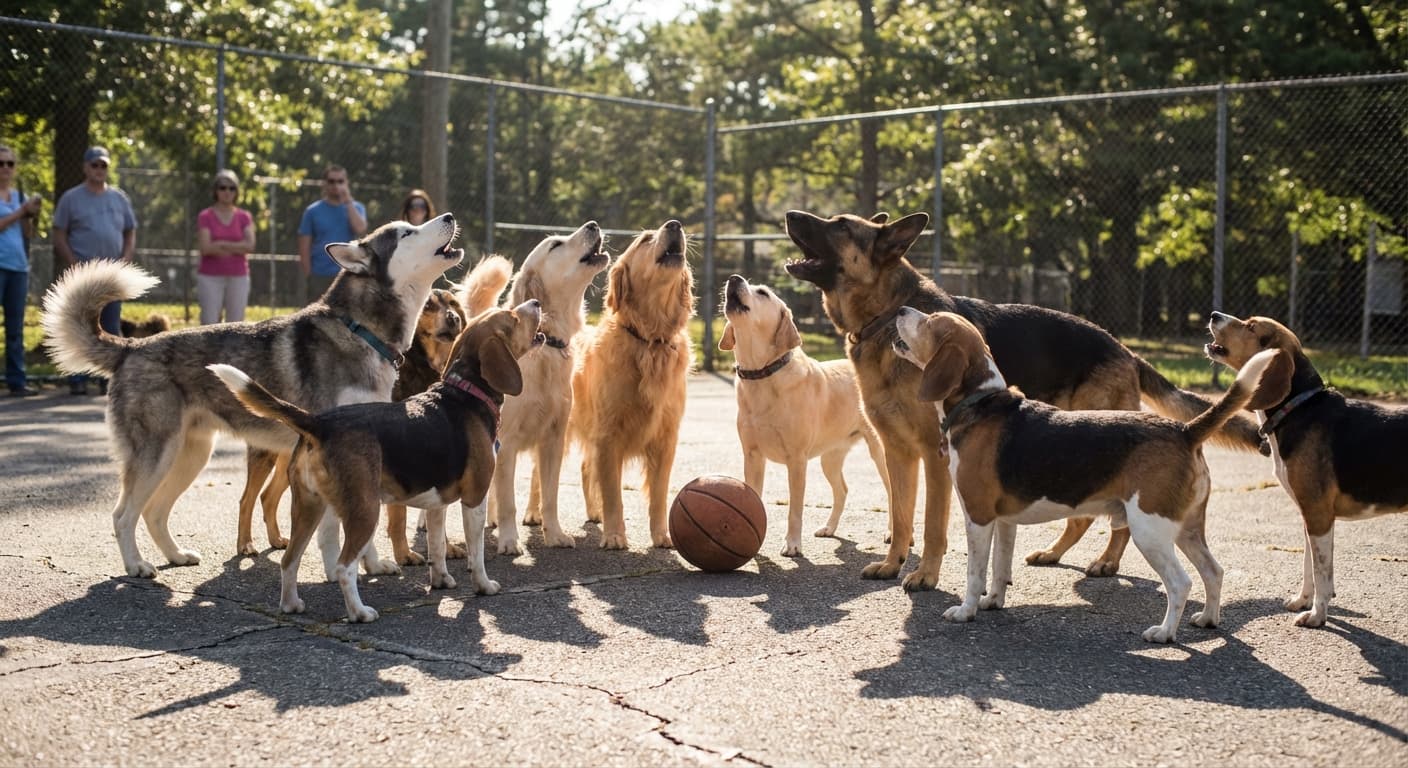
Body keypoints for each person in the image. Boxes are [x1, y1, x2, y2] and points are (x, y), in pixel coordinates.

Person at [52, 146, 137, 395]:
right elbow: (59, 233)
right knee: (79, 324)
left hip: (111, 276)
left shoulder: (119, 198)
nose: (99, 169)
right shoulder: (71, 198)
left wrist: (125, 259)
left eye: (103, 165)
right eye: (94, 165)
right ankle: (77, 378)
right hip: (83, 275)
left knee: (110, 327)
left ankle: (108, 380)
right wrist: (73, 262)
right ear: (85, 167)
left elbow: (130, 231)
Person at [0, 145, 42, 397]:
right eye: (0, 163)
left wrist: (30, 215)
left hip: (17, 267)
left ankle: (17, 380)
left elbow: (27, 233)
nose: (5, 168)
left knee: (15, 329)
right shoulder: (17, 204)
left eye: (10, 163)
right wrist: (21, 212)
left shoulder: (18, 196)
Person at [297, 164, 366, 302]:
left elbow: (360, 229)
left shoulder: (357, 207)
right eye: (331, 181)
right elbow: (304, 246)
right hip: (319, 275)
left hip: (347, 274)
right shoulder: (312, 211)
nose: (336, 185)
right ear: (324, 184)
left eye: (340, 181)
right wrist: (309, 273)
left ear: (347, 183)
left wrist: (348, 202)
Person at [195, 169, 255, 324]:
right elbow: (206, 248)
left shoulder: (244, 217)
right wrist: (237, 246)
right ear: (215, 190)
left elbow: (250, 246)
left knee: (235, 325)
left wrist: (221, 244)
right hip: (210, 277)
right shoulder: (205, 216)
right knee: (209, 323)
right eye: (222, 187)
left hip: (238, 276)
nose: (227, 192)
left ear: (237, 191)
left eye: (232, 188)